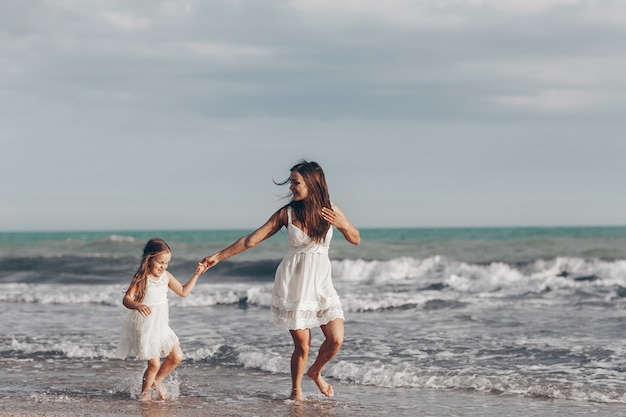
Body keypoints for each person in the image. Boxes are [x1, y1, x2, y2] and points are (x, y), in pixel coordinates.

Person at [202, 160, 360, 401]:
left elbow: (355, 239)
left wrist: (344, 224)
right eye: (291, 183)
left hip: (321, 285)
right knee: (303, 345)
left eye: (295, 182)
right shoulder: (286, 214)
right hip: (293, 284)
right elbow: (251, 240)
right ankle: (296, 391)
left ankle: (315, 372)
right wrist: (218, 256)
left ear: (312, 183)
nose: (291, 188)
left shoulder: (332, 210)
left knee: (336, 339)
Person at [118, 238, 208, 401]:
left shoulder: (165, 276)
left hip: (161, 327)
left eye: (166, 263)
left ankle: (156, 382)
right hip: (145, 327)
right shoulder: (142, 278)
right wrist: (138, 305)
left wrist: (196, 274)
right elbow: (126, 299)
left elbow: (183, 291)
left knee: (177, 356)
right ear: (149, 259)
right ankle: (144, 395)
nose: (163, 266)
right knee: (154, 364)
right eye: (160, 262)